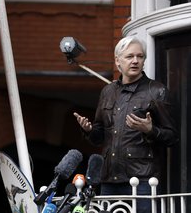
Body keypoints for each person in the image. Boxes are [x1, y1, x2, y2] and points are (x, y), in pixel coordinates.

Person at [73, 36, 178, 213]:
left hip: (142, 181)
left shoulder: (157, 91)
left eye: (140, 56)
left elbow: (172, 137)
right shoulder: (108, 91)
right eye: (130, 56)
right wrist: (89, 130)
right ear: (117, 60)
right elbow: (99, 137)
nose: (135, 61)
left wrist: (150, 130)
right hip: (109, 180)